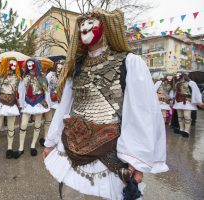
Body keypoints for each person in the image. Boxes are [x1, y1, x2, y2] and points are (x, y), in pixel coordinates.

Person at [42, 9, 169, 200]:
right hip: (72, 144)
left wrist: (135, 159)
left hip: (111, 151)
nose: (85, 27)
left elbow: (141, 114)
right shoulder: (75, 66)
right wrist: (51, 141)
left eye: (91, 23)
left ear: (106, 27)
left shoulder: (130, 63)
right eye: (82, 24)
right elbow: (64, 106)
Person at [0, 57, 22, 159]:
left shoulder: (18, 78)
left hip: (12, 104)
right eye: (11, 64)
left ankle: (9, 148)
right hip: (0, 104)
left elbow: (20, 92)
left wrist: (21, 103)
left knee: (11, 128)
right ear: (7, 64)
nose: (13, 66)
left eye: (15, 65)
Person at [14, 58, 50, 158]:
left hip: (38, 101)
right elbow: (21, 91)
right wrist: (21, 103)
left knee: (37, 124)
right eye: (28, 64)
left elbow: (46, 91)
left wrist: (46, 102)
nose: (29, 66)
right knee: (24, 124)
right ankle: (21, 148)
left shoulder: (42, 77)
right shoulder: (25, 76)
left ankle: (33, 145)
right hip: (27, 102)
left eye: (31, 64)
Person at [39, 60, 65, 147]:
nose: (59, 69)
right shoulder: (50, 75)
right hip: (50, 100)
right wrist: (48, 101)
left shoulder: (65, 76)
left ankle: (56, 137)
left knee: (57, 120)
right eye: (58, 67)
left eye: (61, 67)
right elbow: (45, 87)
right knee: (48, 120)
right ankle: (46, 137)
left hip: (60, 101)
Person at [173, 72, 203, 138]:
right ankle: (181, 129)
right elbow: (175, 93)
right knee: (180, 116)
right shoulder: (177, 84)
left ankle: (186, 131)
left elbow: (196, 92)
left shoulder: (191, 83)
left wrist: (198, 101)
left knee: (187, 116)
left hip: (187, 101)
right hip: (179, 101)